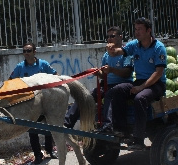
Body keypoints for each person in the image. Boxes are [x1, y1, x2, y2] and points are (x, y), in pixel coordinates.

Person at [100, 18, 167, 151]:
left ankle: (138, 139)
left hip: (156, 84)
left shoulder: (159, 47)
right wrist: (112, 50)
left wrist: (142, 87)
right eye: (135, 29)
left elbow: (158, 73)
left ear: (149, 30)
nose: (137, 32)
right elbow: (119, 52)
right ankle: (121, 130)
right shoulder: (134, 45)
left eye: (140, 29)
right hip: (139, 82)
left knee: (140, 98)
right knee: (116, 91)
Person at [63, 26, 133, 128]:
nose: (109, 39)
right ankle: (66, 124)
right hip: (106, 85)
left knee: (111, 93)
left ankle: (107, 127)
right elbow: (104, 75)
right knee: (84, 96)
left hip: (122, 85)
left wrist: (112, 69)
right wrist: (97, 73)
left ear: (120, 37)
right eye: (107, 37)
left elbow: (127, 73)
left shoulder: (126, 53)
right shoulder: (106, 55)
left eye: (112, 36)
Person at [9, 42, 58, 165]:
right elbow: (11, 81)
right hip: (29, 103)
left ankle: (50, 150)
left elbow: (55, 76)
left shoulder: (43, 65)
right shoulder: (20, 67)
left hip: (45, 101)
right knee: (32, 129)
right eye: (24, 51)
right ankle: (37, 155)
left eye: (29, 50)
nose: (26, 53)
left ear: (35, 52)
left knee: (48, 124)